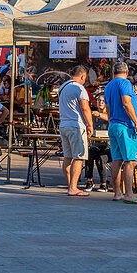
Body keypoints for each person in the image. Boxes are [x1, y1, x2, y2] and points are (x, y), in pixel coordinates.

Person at [104, 61, 137, 204]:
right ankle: (129, 194)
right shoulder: (126, 84)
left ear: (113, 72)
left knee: (117, 160)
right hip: (126, 126)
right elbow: (127, 103)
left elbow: (108, 107)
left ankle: (117, 193)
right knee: (130, 161)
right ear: (127, 72)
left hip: (114, 125)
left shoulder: (109, 86)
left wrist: (111, 121)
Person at [58, 65, 94, 196]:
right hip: (76, 125)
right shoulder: (79, 88)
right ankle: (73, 187)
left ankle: (70, 185)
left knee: (67, 157)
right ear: (83, 76)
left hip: (63, 125)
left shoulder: (62, 87)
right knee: (79, 157)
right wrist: (90, 124)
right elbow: (85, 108)